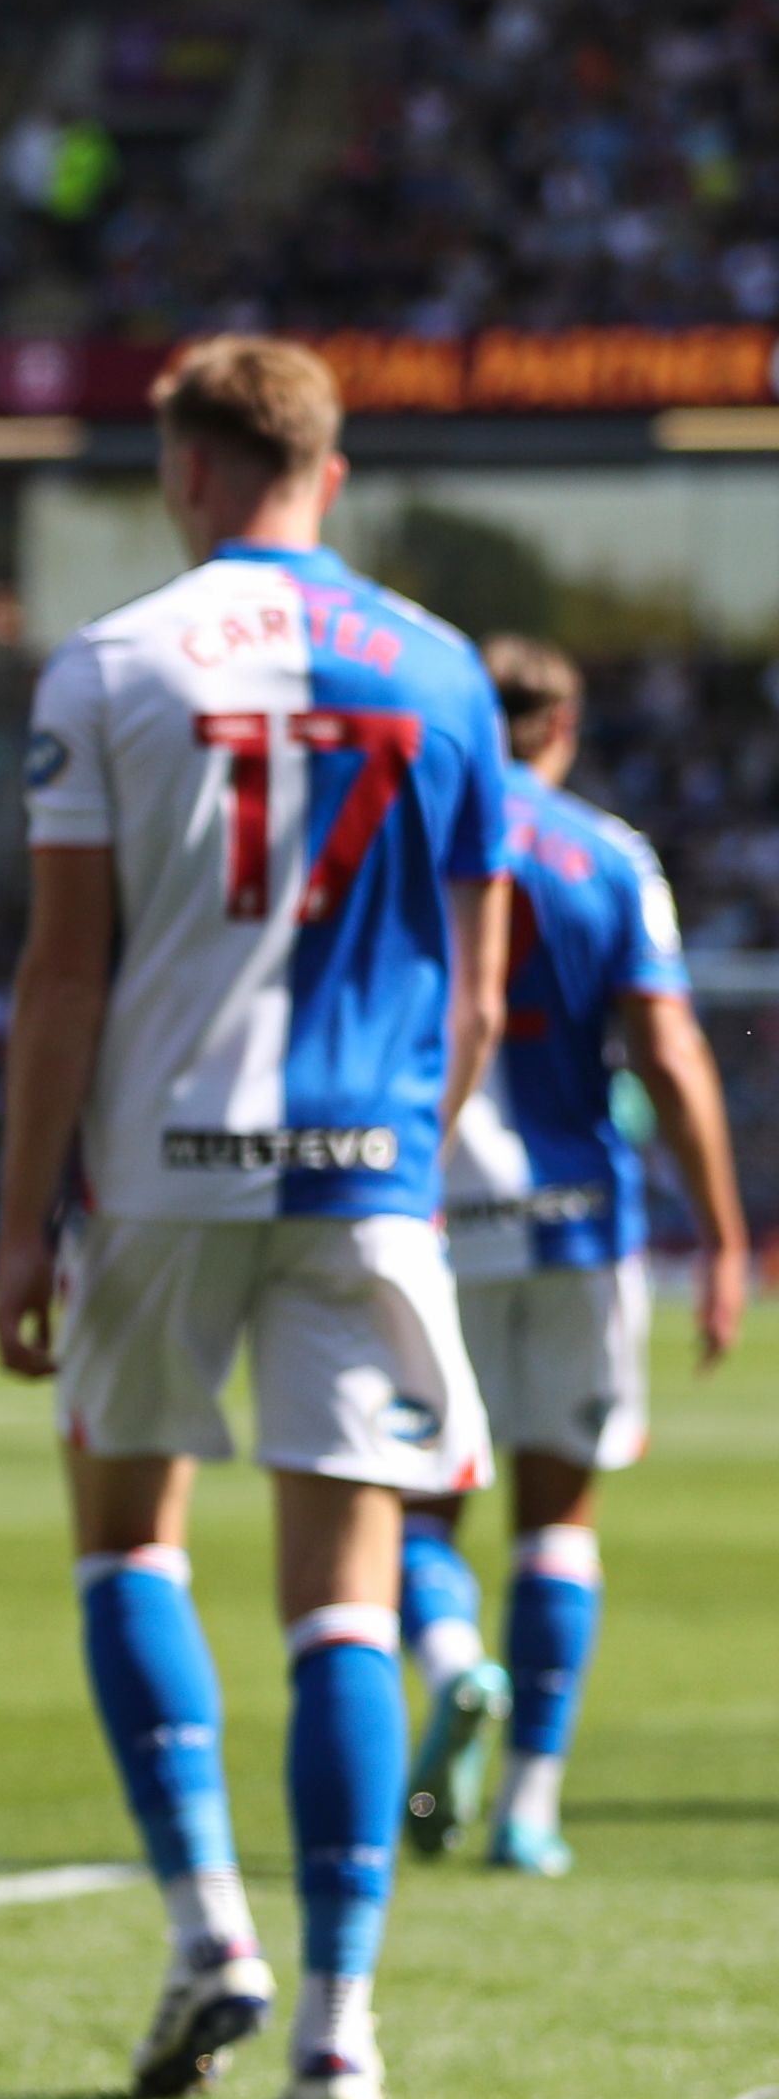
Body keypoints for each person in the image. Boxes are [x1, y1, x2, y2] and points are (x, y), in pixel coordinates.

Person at [0, 333, 512, 2099]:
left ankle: (211, 1927)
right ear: (328, 470)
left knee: (129, 1544)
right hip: (364, 1166)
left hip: (160, 1167)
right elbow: (486, 994)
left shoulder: (111, 664)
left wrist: (16, 1225)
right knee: (346, 1601)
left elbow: (63, 972)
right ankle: (342, 2027)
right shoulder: (444, 673)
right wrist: (406, 1161)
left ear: (194, 472)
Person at [392, 638, 744, 1876]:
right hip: (578, 1224)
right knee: (559, 1519)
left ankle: (452, 1666)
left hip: (429, 1221)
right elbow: (670, 1053)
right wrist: (721, 1233)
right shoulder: (609, 856)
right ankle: (529, 1808)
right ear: (565, 730)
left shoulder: (412, 844)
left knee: (415, 1508)